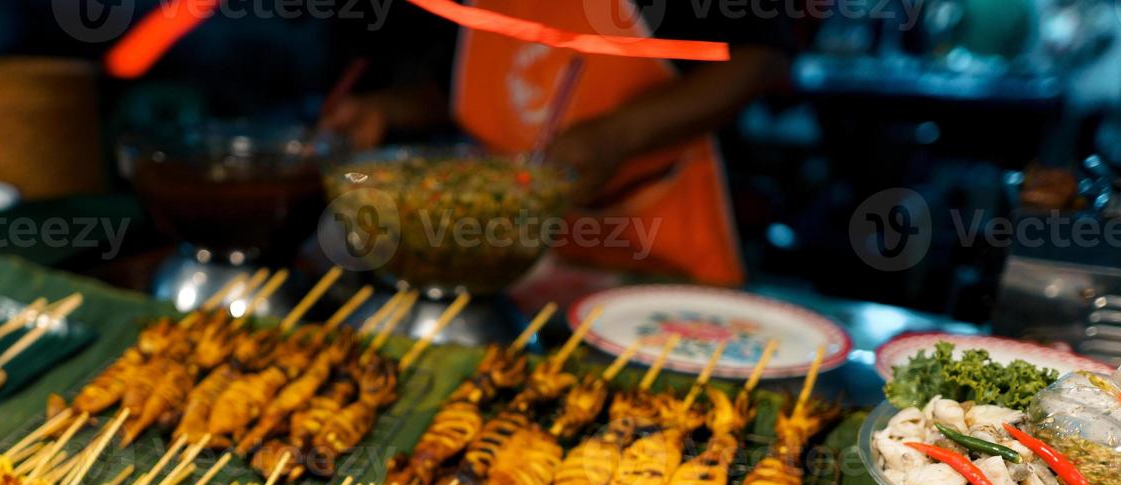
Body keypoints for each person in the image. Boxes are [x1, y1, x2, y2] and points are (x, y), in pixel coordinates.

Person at [322, 1, 795, 286]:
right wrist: (385, 111)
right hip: (517, 258)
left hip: (665, 250)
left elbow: (761, 56)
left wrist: (618, 135)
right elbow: (456, 83)